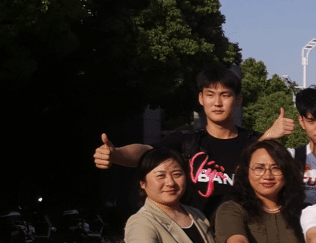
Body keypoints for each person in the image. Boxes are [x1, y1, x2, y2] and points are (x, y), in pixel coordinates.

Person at [94, 66, 293, 218]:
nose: (217, 103)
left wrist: (268, 138)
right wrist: (116, 154)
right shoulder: (186, 141)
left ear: (238, 100)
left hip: (244, 234)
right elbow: (146, 153)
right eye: (210, 95)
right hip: (197, 237)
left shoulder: (256, 141)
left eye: (225, 95)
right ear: (201, 98)